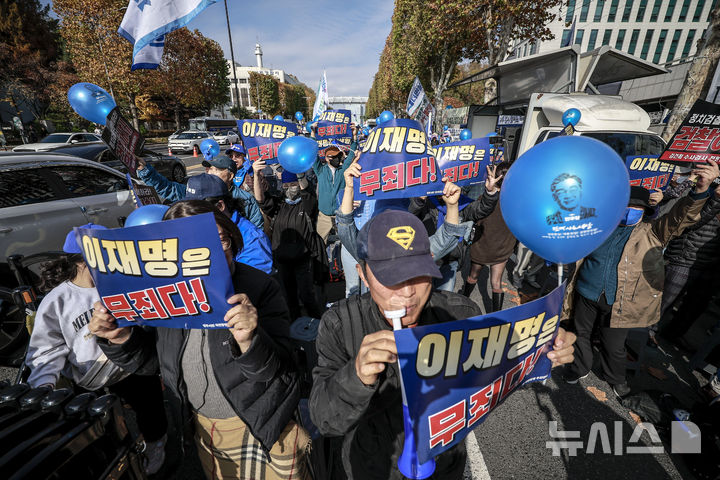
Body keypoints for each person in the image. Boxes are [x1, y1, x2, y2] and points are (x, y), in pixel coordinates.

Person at [309, 208, 577, 480]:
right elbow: (324, 420)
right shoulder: (340, 324)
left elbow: (492, 374)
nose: (407, 292)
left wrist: (540, 347)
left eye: (417, 274)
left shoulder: (460, 314)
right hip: (373, 467)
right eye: (391, 277)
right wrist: (357, 376)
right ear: (363, 274)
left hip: (444, 466)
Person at [89, 200, 310, 480]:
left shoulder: (260, 287)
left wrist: (249, 341)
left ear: (232, 238)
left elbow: (279, 370)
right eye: (186, 246)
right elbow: (151, 363)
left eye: (220, 240)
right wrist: (120, 338)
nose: (211, 253)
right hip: (200, 426)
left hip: (258, 424)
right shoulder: (163, 293)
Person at [562, 160, 719, 398]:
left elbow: (681, 218)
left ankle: (616, 379)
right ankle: (580, 367)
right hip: (586, 291)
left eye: (636, 207)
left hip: (620, 301)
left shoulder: (654, 232)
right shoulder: (600, 225)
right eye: (626, 205)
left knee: (613, 346)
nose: (629, 210)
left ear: (645, 211)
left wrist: (700, 191)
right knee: (580, 334)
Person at [26, 224, 168, 475]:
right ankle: (117, 461)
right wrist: (43, 387)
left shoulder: (125, 283)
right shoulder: (57, 300)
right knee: (101, 428)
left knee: (151, 412)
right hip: (91, 378)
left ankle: (157, 447)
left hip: (131, 368)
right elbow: (46, 350)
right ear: (80, 260)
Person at [409, 165, 504, 292]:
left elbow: (482, 209)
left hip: (450, 260)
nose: (443, 186)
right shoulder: (424, 201)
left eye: (446, 181)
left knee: (444, 299)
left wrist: (490, 192)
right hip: (425, 259)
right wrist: (419, 200)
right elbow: (408, 217)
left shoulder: (461, 202)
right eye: (439, 182)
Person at [252, 159, 325, 320]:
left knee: (308, 296)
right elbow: (260, 199)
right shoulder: (278, 204)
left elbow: (307, 190)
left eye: (292, 185)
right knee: (289, 298)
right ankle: (295, 327)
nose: (289, 189)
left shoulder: (307, 204)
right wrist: (256, 175)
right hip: (282, 260)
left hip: (304, 258)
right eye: (285, 186)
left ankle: (317, 325)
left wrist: (300, 175)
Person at [658, 180, 720, 343]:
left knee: (696, 307)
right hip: (685, 257)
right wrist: (716, 199)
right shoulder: (707, 188)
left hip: (712, 264)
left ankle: (673, 335)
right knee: (665, 302)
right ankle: (643, 335)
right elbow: (692, 222)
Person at [135, 154, 264, 228]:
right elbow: (168, 188)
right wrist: (145, 170)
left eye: (216, 169)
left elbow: (257, 228)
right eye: (209, 169)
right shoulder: (195, 189)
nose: (209, 172)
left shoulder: (246, 199)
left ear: (230, 176)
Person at [185, 173, 273, 275]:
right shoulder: (204, 230)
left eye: (196, 210)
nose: (191, 215)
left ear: (220, 206)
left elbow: (254, 283)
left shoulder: (251, 239)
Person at [462, 162, 516, 311]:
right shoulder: (515, 201)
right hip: (503, 248)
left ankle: (464, 303)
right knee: (496, 282)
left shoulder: (485, 199)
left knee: (473, 276)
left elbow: (477, 218)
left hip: (482, 246)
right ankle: (496, 317)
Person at [311, 126, 359, 243]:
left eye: (338, 156)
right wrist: (313, 132)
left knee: (347, 242)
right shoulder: (320, 170)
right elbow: (312, 152)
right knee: (320, 243)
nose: (335, 159)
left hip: (341, 215)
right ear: (326, 158)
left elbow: (352, 153)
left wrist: (354, 136)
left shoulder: (343, 169)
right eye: (332, 157)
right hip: (325, 216)